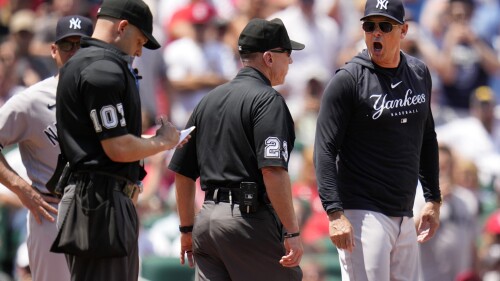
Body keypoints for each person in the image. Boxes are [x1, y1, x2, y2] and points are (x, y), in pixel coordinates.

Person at [54, 0, 186, 280]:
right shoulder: (102, 69)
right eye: (139, 41)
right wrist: (163, 142)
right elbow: (117, 147)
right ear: (122, 27)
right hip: (98, 203)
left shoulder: (89, 62)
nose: (139, 51)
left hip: (99, 199)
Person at [313, 0, 442, 280]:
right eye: (370, 26)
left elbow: (427, 137)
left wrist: (433, 197)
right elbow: (324, 150)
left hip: (405, 213)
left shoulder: (419, 73)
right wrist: (335, 213)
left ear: (404, 30)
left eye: (385, 26)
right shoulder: (348, 80)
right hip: (362, 213)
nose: (376, 33)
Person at [169, 17, 304, 281]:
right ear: (268, 57)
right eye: (287, 54)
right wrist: (292, 231)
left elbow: (182, 172)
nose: (290, 61)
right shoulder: (268, 100)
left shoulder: (208, 100)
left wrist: (187, 228)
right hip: (247, 222)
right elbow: (273, 171)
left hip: (207, 223)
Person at [0, 15, 93, 281]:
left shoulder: (106, 94)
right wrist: (21, 189)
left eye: (82, 45)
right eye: (67, 45)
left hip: (100, 210)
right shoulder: (31, 101)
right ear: (54, 50)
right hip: (52, 213)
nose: (75, 52)